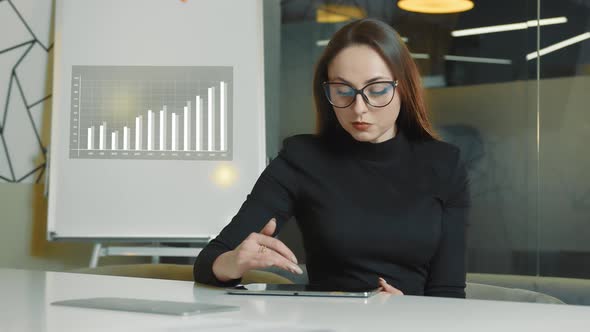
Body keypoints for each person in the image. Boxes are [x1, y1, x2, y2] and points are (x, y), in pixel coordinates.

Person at [194, 18, 470, 298]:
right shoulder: (302, 159)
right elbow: (208, 262)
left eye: (376, 91)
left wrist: (410, 311)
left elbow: (448, 292)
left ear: (404, 88)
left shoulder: (444, 164)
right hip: (325, 322)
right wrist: (233, 262)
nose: (359, 108)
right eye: (343, 91)